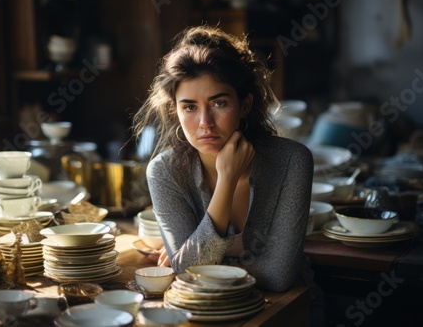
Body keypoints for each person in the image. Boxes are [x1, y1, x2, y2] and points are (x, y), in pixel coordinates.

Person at [132, 25, 323, 325]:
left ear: (244, 104)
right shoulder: (164, 172)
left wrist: (198, 261)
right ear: (174, 112)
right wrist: (227, 181)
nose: (205, 122)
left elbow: (278, 277)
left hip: (284, 314)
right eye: (190, 107)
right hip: (201, 316)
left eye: (219, 103)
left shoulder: (292, 161)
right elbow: (185, 272)